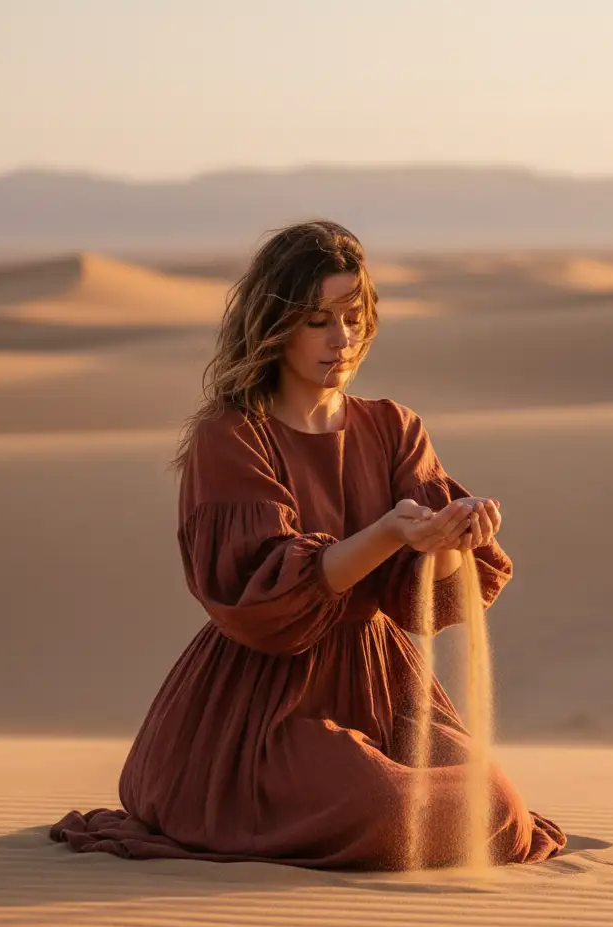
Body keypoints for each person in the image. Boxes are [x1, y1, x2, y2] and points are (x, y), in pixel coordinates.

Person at [49, 220, 567, 870]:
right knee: (391, 811)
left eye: (353, 318)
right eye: (318, 321)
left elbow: (414, 594)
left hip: (384, 685)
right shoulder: (233, 436)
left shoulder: (395, 427)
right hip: (268, 700)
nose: (341, 339)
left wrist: (450, 542)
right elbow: (266, 596)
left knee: (496, 809)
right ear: (275, 325)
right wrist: (386, 532)